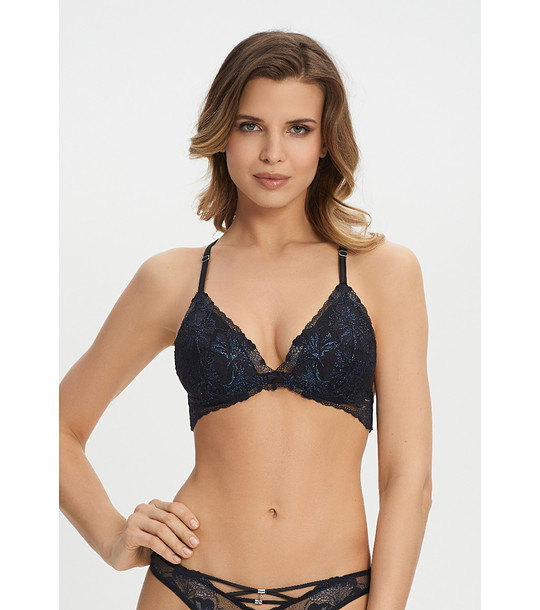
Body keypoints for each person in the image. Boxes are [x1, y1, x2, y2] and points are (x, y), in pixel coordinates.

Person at [60, 30, 432, 610]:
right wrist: (111, 537)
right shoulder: (172, 279)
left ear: (327, 142)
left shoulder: (385, 273)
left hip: (337, 591)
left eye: (298, 129)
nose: (273, 153)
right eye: (251, 125)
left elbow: (408, 479)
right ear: (222, 134)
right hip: (188, 585)